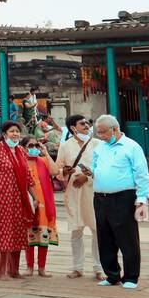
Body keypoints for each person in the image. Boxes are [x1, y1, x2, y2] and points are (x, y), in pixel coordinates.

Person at [89, 114, 149, 288]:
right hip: (100, 198)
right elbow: (95, 165)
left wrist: (142, 198)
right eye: (98, 132)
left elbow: (141, 174)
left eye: (103, 132)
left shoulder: (131, 147)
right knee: (105, 237)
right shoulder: (100, 147)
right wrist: (91, 171)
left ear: (115, 129)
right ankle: (112, 274)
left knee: (127, 238)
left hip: (123, 197)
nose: (101, 136)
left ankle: (131, 277)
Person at [0, 121, 35, 280]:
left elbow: (28, 178)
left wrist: (36, 198)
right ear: (4, 134)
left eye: (17, 131)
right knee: (1, 234)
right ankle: (0, 271)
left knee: (17, 234)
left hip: (17, 201)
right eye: (12, 131)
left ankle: (14, 270)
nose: (16, 134)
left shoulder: (21, 151)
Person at [53, 115, 103, 281]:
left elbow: (104, 169)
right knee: (76, 232)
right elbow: (58, 171)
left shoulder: (98, 144)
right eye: (82, 124)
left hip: (94, 193)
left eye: (88, 123)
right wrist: (65, 172)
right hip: (74, 192)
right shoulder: (66, 146)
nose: (87, 126)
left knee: (98, 232)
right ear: (73, 128)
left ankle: (99, 268)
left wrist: (87, 177)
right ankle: (77, 268)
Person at [24, 135, 59, 275]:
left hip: (44, 203)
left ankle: (42, 268)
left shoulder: (43, 160)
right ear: (24, 147)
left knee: (43, 234)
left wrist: (45, 152)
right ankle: (29, 267)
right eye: (30, 146)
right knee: (30, 234)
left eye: (35, 146)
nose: (34, 149)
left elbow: (55, 171)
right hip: (29, 202)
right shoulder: (21, 161)